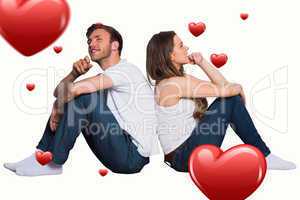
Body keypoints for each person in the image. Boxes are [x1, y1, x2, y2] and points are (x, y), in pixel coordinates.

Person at [4, 23, 159, 176]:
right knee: (78, 95)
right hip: (122, 148)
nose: (91, 44)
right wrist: (74, 74)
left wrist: (57, 108)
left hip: (131, 155)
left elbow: (71, 92)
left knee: (84, 97)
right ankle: (40, 157)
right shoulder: (108, 77)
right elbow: (59, 92)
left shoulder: (125, 71)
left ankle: (53, 162)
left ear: (114, 45)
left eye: (98, 39)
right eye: (89, 41)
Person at [146, 31, 296, 172]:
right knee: (229, 100)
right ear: (170, 55)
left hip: (185, 152)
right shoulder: (173, 84)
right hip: (182, 156)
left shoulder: (179, 80)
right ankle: (264, 155)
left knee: (230, 99)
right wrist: (238, 88)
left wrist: (201, 62)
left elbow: (224, 86)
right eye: (181, 46)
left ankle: (263, 155)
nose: (187, 48)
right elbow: (227, 90)